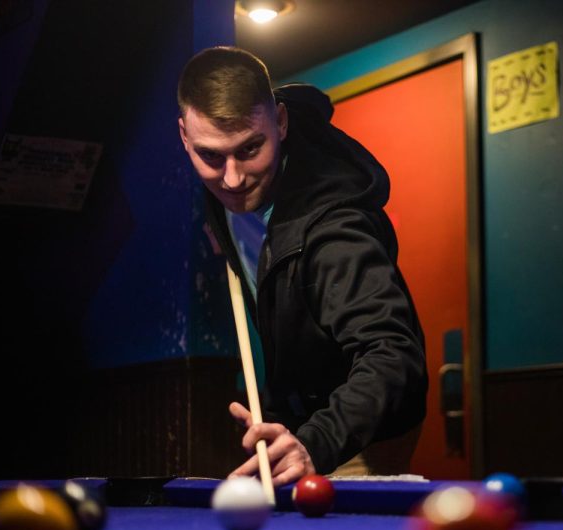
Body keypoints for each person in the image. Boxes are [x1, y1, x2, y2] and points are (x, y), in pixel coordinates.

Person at [177, 47, 427, 485]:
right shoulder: (222, 185)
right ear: (185, 138)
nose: (233, 179)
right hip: (295, 414)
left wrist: (316, 441)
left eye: (251, 148)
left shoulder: (335, 229)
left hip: (362, 428)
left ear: (282, 122)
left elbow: (393, 353)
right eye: (211, 157)